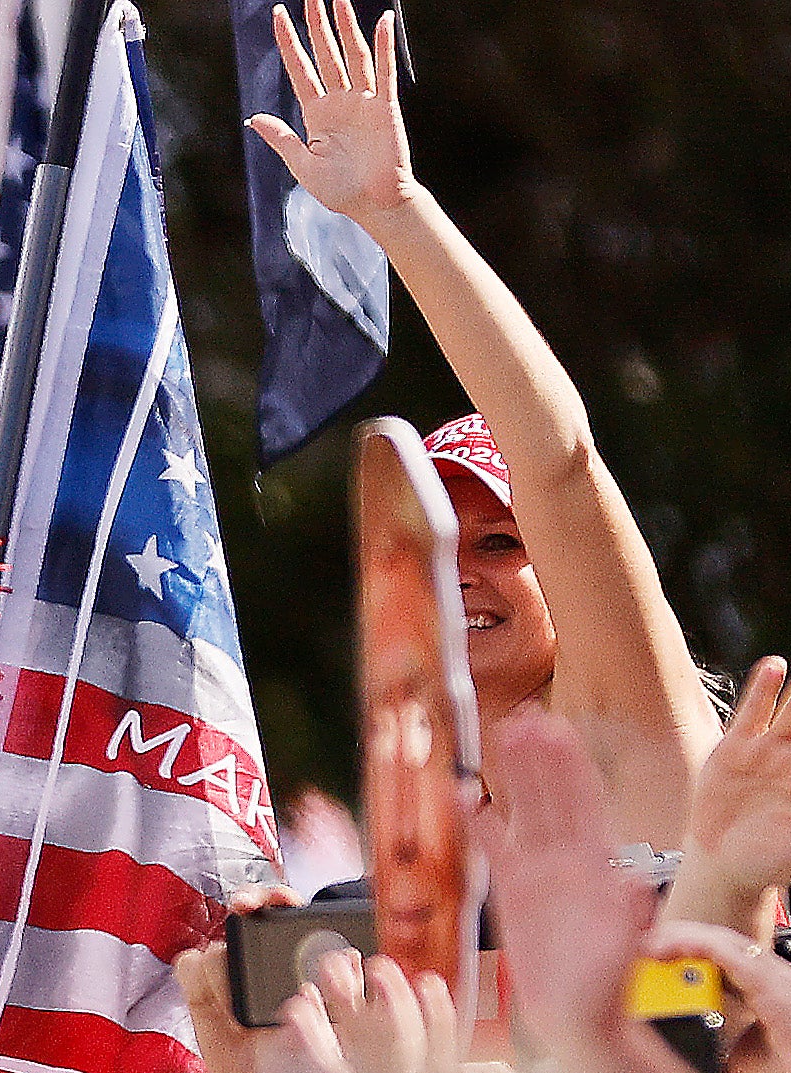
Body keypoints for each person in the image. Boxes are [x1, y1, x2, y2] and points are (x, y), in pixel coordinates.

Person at [249, 0, 714, 847]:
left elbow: (556, 464)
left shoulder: (624, 737)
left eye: (500, 542)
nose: (456, 575)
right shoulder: (418, 859)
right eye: (430, 550)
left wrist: (394, 211)